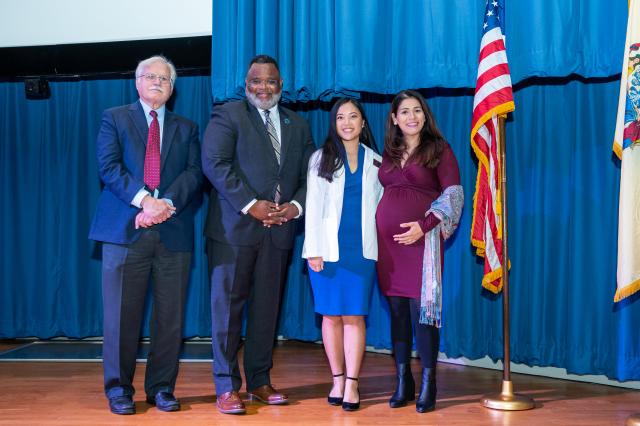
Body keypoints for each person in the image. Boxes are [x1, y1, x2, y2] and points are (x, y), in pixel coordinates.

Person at [89, 55, 202, 415]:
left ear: (172, 88)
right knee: (121, 317)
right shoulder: (115, 118)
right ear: (137, 83)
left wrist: (165, 203)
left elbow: (194, 173)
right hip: (124, 233)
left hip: (174, 232)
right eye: (150, 76)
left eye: (164, 78)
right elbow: (108, 167)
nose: (157, 82)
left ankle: (161, 388)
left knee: (170, 318)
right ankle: (118, 389)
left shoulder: (187, 127)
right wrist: (144, 202)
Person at [202, 54, 314, 415]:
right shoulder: (228, 115)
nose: (263, 88)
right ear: (245, 85)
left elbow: (311, 175)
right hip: (234, 231)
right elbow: (214, 164)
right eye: (255, 81)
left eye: (270, 82)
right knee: (228, 312)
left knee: (267, 310)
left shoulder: (298, 124)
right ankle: (225, 385)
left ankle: (260, 381)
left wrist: (294, 208)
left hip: (280, 231)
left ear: (280, 86)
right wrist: (252, 204)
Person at [375, 90, 463, 413]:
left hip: (422, 244)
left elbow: (453, 194)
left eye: (417, 111)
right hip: (389, 249)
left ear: (424, 116)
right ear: (395, 119)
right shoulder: (388, 151)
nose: (412, 117)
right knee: (397, 311)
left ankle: (429, 382)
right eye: (405, 112)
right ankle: (403, 380)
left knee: (421, 313)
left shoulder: (439, 149)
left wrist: (423, 227)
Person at [302, 98, 383, 411]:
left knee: (354, 317)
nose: (347, 123)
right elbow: (313, 209)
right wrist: (314, 251)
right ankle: (337, 378)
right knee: (330, 317)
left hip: (361, 252)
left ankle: (352, 383)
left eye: (353, 117)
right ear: (333, 124)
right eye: (340, 117)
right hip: (327, 252)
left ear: (363, 123)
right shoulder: (320, 159)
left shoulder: (377, 162)